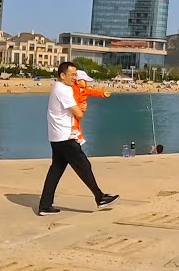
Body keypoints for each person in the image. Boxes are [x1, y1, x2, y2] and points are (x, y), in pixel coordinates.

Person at [37, 61, 119, 216]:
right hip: (65, 137)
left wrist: (78, 108)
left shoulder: (57, 87)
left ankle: (45, 205)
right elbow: (78, 113)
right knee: (83, 165)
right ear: (62, 75)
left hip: (56, 136)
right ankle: (100, 197)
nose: (74, 77)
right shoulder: (64, 90)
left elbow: (74, 110)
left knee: (56, 170)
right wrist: (80, 109)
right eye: (72, 74)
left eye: (76, 74)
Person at [70, 70, 110, 146]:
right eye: (84, 81)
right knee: (74, 122)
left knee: (77, 122)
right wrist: (78, 106)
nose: (86, 83)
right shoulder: (73, 89)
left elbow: (93, 92)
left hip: (79, 110)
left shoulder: (85, 89)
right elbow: (72, 101)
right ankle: (77, 135)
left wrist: (103, 94)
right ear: (77, 81)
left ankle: (79, 137)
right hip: (76, 109)